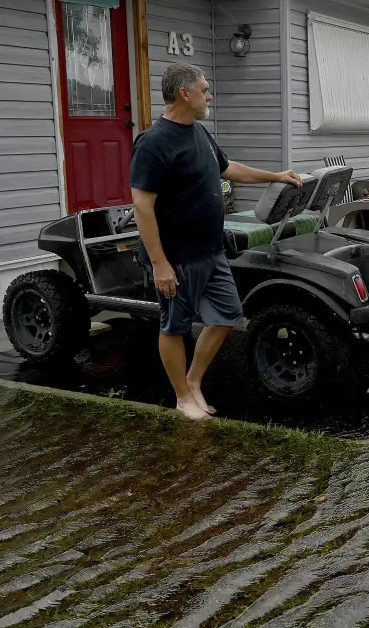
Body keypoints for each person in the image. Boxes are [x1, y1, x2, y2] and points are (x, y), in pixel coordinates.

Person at [129, 63, 301, 420]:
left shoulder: (199, 133)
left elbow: (227, 167)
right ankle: (182, 397)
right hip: (177, 257)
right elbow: (142, 206)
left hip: (211, 250)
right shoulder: (153, 142)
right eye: (205, 90)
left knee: (227, 316)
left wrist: (276, 175)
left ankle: (194, 381)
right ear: (185, 94)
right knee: (174, 325)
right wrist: (160, 264)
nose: (209, 95)